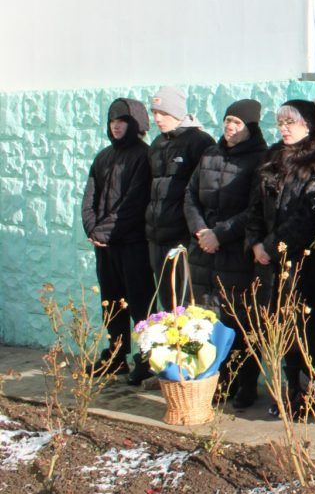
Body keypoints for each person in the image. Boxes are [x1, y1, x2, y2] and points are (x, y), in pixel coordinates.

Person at [245, 98, 315, 418]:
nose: (284, 129)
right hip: (270, 260)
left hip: (303, 260)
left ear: (309, 126)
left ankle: (308, 393)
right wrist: (255, 242)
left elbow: (309, 214)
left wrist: (271, 245)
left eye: (291, 123)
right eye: (281, 123)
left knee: (306, 326)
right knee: (279, 325)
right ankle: (290, 390)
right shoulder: (272, 156)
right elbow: (256, 205)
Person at [184, 99, 268, 410]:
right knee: (207, 321)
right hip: (204, 252)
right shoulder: (210, 154)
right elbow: (190, 195)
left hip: (236, 253)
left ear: (251, 127)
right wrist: (201, 231)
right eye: (228, 120)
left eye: (238, 123)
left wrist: (220, 234)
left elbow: (254, 209)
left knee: (241, 323)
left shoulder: (260, 159)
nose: (231, 128)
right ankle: (215, 380)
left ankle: (245, 383)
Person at [143, 86, 215, 384]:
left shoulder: (199, 141)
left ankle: (193, 370)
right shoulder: (157, 143)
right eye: (155, 113)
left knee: (187, 306)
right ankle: (170, 365)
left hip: (183, 238)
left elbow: (200, 191)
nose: (158, 119)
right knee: (166, 305)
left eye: (163, 113)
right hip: (156, 236)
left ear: (177, 113)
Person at [82, 98, 155, 376]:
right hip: (105, 246)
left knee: (140, 301)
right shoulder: (103, 156)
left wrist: (104, 231)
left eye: (122, 121)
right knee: (111, 302)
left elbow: (134, 203)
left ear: (135, 124)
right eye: (112, 121)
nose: (116, 126)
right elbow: (89, 197)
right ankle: (116, 355)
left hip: (133, 244)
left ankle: (147, 359)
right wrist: (92, 229)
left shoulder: (143, 156)